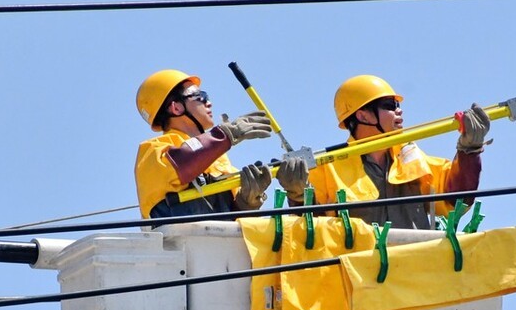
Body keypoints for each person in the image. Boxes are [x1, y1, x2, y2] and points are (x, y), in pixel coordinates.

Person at [275, 74, 490, 230]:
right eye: (389, 105)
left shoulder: (410, 157)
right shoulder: (328, 169)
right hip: (358, 280)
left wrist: (469, 151)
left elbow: (457, 202)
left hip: (415, 275)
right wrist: (298, 194)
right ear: (364, 115)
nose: (399, 110)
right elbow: (312, 229)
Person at [134, 69, 277, 220]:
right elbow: (181, 163)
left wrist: (248, 202)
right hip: (182, 241)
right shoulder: (153, 151)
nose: (209, 102)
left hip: (215, 241)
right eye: (200, 97)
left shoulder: (219, 161)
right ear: (176, 108)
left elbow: (233, 219)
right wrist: (225, 135)